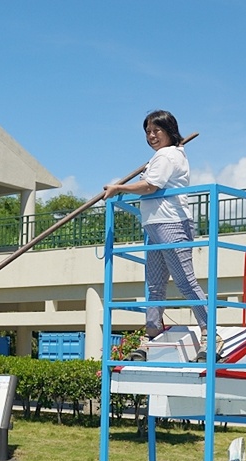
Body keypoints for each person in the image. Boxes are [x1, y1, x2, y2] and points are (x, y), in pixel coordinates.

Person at [103, 110, 217, 361]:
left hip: (172, 224)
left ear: (169, 131)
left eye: (157, 131)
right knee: (154, 286)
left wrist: (118, 188)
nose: (152, 136)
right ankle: (152, 334)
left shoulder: (167, 155)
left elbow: (149, 186)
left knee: (185, 281)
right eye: (148, 132)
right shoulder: (161, 156)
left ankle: (210, 334)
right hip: (154, 226)